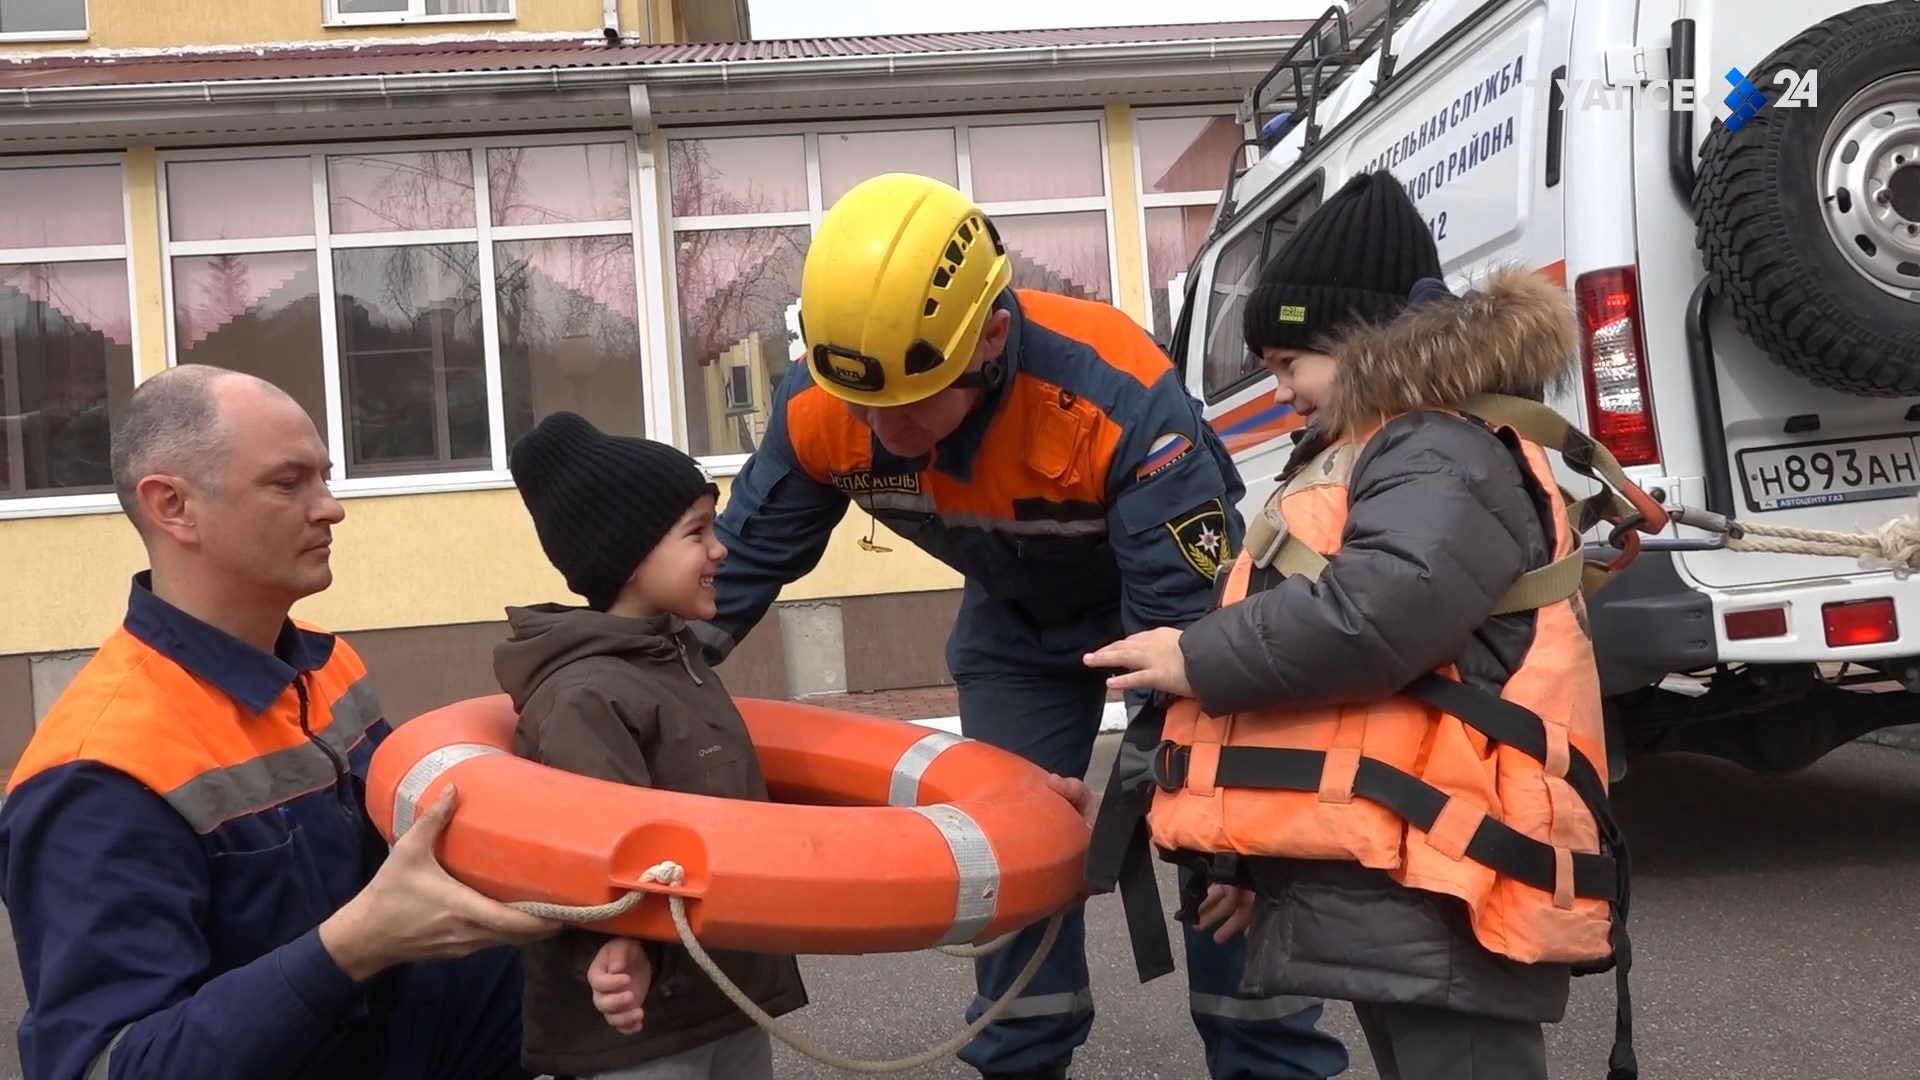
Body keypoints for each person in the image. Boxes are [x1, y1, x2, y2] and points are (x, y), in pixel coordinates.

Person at [684, 171, 1350, 1080]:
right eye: (864, 404)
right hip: (1016, 626)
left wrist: (1179, 811)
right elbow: (731, 574)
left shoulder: (1116, 396)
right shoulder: (823, 405)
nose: (879, 428)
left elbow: (1183, 635)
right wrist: (628, 673)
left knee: (1220, 841)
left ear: (991, 338)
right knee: (1007, 843)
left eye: (912, 401)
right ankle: (1022, 1055)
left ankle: (1270, 1057)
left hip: (1175, 624)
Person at [1084, 170, 1633, 1080]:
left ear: (1361, 344)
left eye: (1288, 364)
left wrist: (1194, 657)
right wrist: (1262, 861)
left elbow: (1377, 616)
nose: (1283, 393)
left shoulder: (1438, 448)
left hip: (1451, 866)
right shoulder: (1401, 444)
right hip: (1420, 856)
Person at [0, 364, 577, 1080]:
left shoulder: (325, 663)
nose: (331, 508)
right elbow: (109, 1066)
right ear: (173, 506)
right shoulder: (99, 774)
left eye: (324, 478)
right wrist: (352, 947)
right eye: (288, 482)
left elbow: (412, 866)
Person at [494, 411, 809, 1080]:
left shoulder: (673, 660)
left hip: (722, 994)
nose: (720, 550)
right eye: (697, 532)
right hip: (641, 1027)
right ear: (628, 557)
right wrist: (612, 953)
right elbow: (586, 860)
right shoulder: (587, 696)